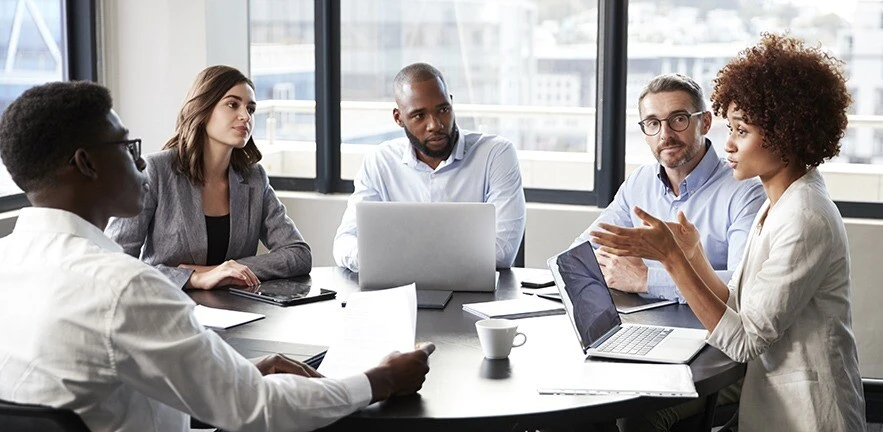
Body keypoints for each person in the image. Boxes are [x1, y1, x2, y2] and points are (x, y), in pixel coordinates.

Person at [0, 81, 434, 432]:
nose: (139, 165)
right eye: (126, 148)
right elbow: (258, 410)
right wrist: (383, 379)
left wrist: (236, 371)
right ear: (87, 164)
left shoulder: (8, 259)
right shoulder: (124, 286)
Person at [591, 33, 866, 431]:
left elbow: (744, 341)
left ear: (785, 136)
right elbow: (740, 301)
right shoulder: (780, 203)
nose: (729, 145)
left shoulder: (805, 217)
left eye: (741, 130)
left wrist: (673, 260)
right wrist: (694, 255)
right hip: (772, 405)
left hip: (809, 415)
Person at [106, 65, 310, 290]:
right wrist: (193, 278)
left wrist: (225, 270)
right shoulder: (155, 170)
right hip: (168, 309)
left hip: (239, 313)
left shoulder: (254, 178)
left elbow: (298, 254)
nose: (245, 116)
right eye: (232, 105)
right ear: (203, 109)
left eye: (250, 109)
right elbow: (115, 264)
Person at [572, 74, 765, 303]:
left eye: (679, 119)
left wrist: (646, 280)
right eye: (653, 123)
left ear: (705, 122)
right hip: (643, 324)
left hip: (711, 331)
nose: (665, 134)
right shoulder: (639, 183)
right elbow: (581, 253)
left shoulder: (746, 192)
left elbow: (741, 286)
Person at [332, 62, 526, 272]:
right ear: (399, 118)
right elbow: (345, 241)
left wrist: (392, 258)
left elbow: (502, 251)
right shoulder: (380, 161)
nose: (435, 125)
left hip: (475, 296)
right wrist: (372, 259)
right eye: (419, 115)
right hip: (399, 292)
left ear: (451, 103)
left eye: (443, 110)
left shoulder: (495, 154)